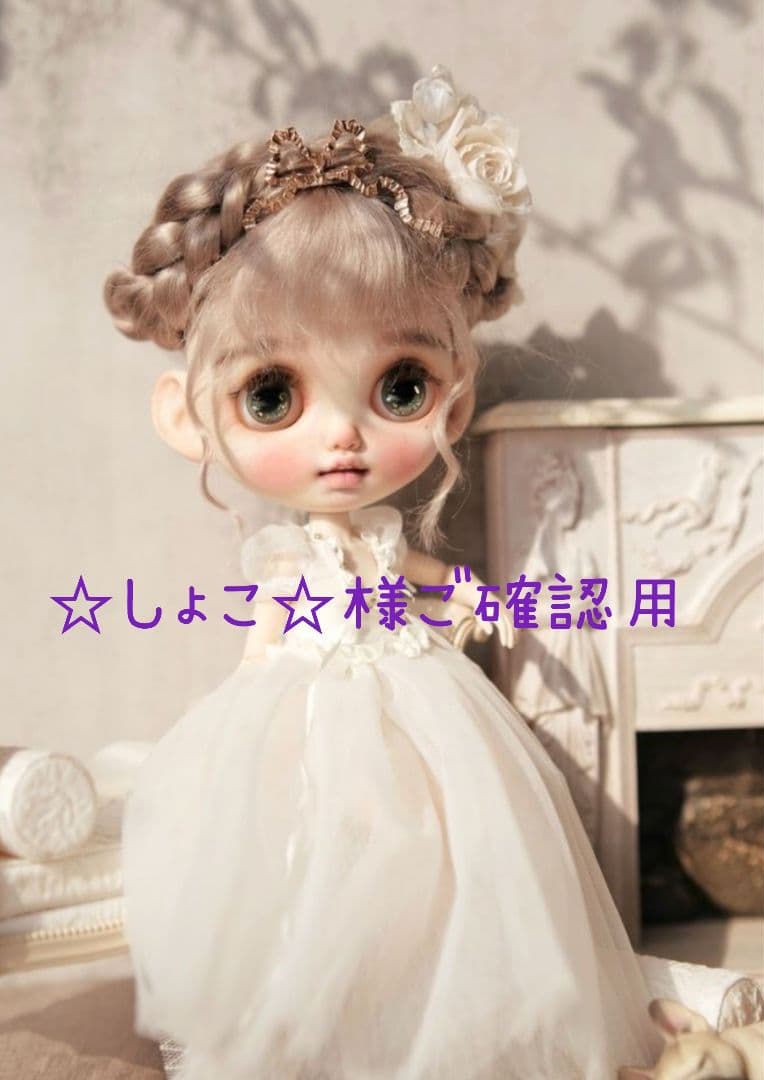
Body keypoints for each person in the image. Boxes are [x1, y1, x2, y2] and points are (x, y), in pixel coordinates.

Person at [104, 65, 663, 1080]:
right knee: (319, 871)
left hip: (425, 705)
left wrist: (478, 600)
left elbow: (416, 571)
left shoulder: (376, 538)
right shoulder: (287, 556)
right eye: (273, 396)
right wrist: (250, 719)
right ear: (189, 418)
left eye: (399, 387)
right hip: (306, 710)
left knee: (450, 864)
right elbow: (265, 637)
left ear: (454, 399)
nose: (343, 439)